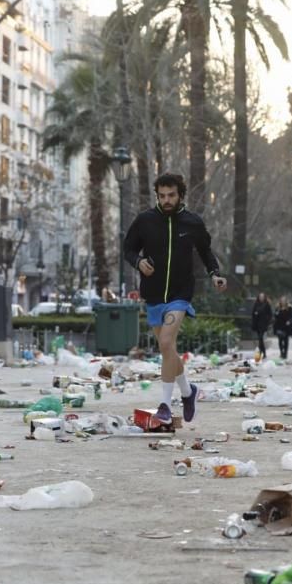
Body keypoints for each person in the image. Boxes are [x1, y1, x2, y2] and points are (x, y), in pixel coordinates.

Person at [123, 172, 227, 425]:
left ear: (180, 195)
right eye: (162, 196)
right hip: (154, 294)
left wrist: (215, 274)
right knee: (168, 349)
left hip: (181, 293)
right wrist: (138, 262)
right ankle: (189, 393)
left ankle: (165, 407)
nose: (167, 200)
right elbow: (128, 248)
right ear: (157, 195)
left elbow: (205, 251)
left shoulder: (192, 222)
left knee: (167, 341)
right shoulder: (145, 220)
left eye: (171, 195)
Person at [251, 293, 273, 359]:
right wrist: (255, 313)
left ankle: (262, 353)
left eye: (262, 297)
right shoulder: (256, 304)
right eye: (260, 297)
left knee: (260, 338)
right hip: (257, 324)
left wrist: (267, 320)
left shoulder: (267, 304)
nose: (261, 298)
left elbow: (270, 314)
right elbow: (253, 313)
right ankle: (263, 353)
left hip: (263, 324)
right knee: (260, 339)